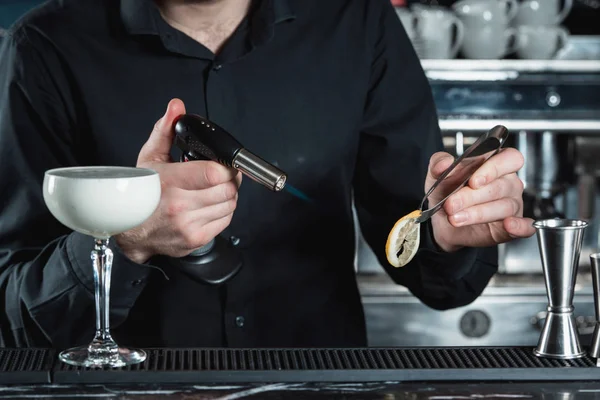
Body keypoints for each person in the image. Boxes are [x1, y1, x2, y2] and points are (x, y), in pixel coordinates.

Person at [0, 0, 534, 349]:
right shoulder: (47, 47)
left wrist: (447, 230)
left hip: (315, 383)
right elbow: (16, 314)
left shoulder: (356, 21)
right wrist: (128, 239)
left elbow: (430, 266)